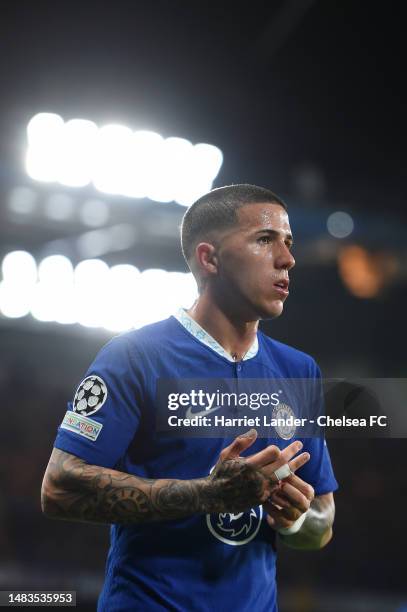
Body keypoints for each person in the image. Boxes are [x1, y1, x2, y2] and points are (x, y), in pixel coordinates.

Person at [41, 184, 337, 612]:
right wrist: (207, 495)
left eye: (288, 244)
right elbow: (58, 488)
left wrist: (294, 519)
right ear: (209, 258)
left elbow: (322, 525)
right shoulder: (135, 356)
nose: (287, 259)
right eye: (264, 240)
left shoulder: (299, 371)